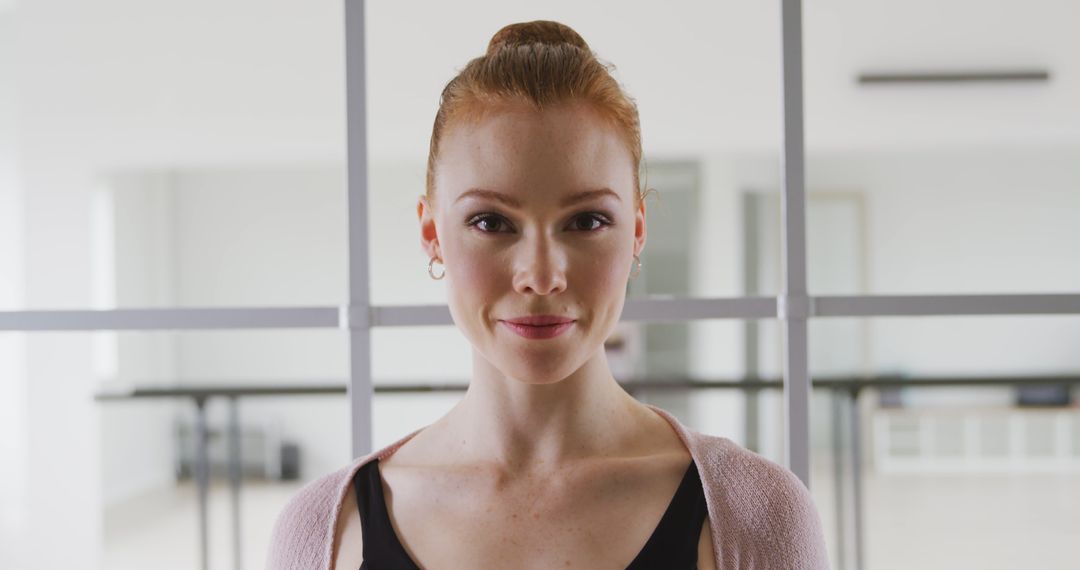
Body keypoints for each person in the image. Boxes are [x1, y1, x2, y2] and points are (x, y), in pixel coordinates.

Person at [267, 20, 829, 569]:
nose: (540, 275)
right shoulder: (324, 531)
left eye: (585, 221)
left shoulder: (754, 518)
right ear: (432, 234)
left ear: (636, 232)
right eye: (491, 222)